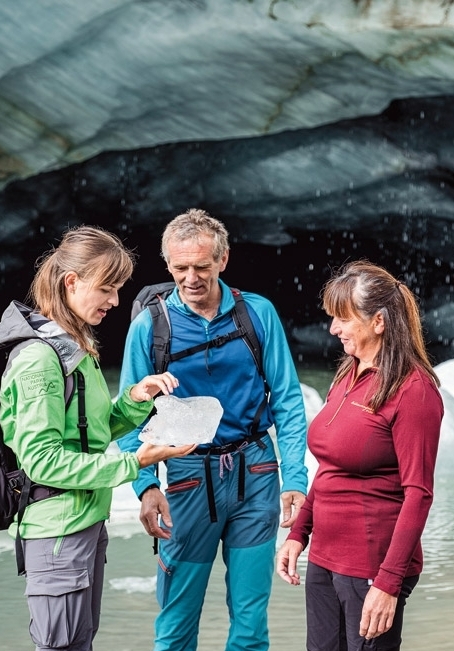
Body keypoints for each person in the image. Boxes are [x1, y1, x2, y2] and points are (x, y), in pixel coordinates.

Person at [0, 225, 198, 651]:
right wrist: (135, 463)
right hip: (56, 533)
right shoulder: (39, 360)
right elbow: (43, 461)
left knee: (80, 643)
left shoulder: (73, 347)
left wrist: (136, 398)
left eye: (118, 289)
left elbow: (91, 431)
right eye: (107, 289)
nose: (115, 301)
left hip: (85, 524)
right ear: (72, 282)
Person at [117, 208, 309, 651]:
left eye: (201, 266)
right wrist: (145, 486)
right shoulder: (150, 326)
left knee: (249, 623)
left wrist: (295, 479)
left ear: (223, 260)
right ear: (167, 266)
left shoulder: (256, 314)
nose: (191, 278)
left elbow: (288, 401)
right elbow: (129, 417)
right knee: (176, 625)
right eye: (180, 268)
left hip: (257, 477)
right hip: (185, 480)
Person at [276, 260, 444, 651]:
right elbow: (331, 467)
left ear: (379, 322)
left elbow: (419, 494)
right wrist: (299, 534)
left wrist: (388, 582)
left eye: (343, 319)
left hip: (371, 564)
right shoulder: (347, 374)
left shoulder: (413, 391)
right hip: (324, 558)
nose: (333, 329)